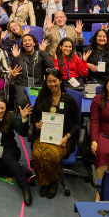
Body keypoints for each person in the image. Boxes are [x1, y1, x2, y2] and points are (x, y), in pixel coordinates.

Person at [30, 68, 80, 199]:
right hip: (43, 135)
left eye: (55, 81)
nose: (52, 84)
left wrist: (67, 137)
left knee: (50, 156)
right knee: (36, 155)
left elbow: (76, 123)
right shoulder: (42, 97)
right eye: (49, 81)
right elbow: (34, 114)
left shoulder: (69, 100)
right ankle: (46, 182)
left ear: (60, 81)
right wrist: (36, 123)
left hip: (63, 138)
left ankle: (52, 182)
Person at [10, 34, 53, 107]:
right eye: (25, 41)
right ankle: (24, 118)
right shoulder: (19, 55)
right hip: (22, 85)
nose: (27, 42)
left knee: (42, 103)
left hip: (38, 84)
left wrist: (43, 52)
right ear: (23, 45)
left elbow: (51, 66)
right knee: (22, 102)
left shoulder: (41, 54)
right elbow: (13, 70)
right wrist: (15, 58)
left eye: (29, 40)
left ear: (34, 43)